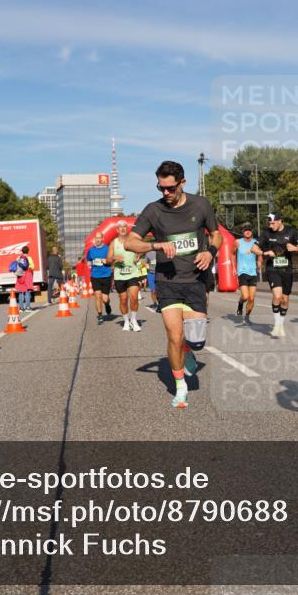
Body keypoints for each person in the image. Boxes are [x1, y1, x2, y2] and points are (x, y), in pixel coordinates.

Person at [125, 161, 221, 409]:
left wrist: (210, 252)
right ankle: (180, 388)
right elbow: (129, 242)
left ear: (182, 183)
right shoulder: (153, 210)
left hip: (196, 279)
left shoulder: (201, 205)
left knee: (196, 341)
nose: (165, 193)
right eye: (161, 188)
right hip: (167, 281)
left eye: (170, 188)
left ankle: (188, 350)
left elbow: (217, 234)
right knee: (174, 336)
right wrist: (155, 245)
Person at [261, 213, 298, 337]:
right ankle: (277, 324)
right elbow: (254, 248)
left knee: (285, 299)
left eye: (273, 223)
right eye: (269, 223)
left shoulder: (291, 232)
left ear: (280, 221)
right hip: (272, 268)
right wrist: (266, 253)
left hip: (287, 269)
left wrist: (295, 248)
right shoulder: (266, 233)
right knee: (277, 296)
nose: (271, 225)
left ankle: (281, 325)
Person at [110, 220, 142, 332]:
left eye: (124, 227)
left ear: (127, 229)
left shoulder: (133, 241)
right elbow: (108, 259)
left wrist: (138, 256)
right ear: (117, 230)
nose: (123, 229)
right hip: (120, 275)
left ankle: (133, 320)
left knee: (134, 296)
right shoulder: (114, 243)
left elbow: (141, 249)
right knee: (123, 300)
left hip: (133, 274)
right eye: (120, 227)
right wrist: (114, 258)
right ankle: (126, 321)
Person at [234, 222, 263, 325]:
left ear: (252, 232)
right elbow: (232, 254)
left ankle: (247, 317)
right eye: (245, 230)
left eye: (249, 230)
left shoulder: (256, 242)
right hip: (242, 272)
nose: (247, 231)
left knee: (251, 298)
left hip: (253, 272)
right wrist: (234, 267)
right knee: (245, 296)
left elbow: (260, 253)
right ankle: (240, 304)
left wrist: (259, 261)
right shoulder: (237, 242)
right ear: (242, 231)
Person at [86, 233, 113, 325]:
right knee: (97, 296)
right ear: (94, 239)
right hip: (95, 276)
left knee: (105, 299)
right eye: (96, 238)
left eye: (99, 238)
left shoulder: (107, 248)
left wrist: (107, 261)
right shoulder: (91, 250)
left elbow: (112, 260)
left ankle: (107, 304)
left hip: (106, 275)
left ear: (102, 239)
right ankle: (100, 316)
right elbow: (89, 261)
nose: (97, 240)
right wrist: (89, 263)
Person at [13, 246, 34, 311]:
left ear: (22, 251)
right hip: (27, 275)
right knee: (27, 291)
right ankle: (28, 307)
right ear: (28, 251)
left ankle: (21, 308)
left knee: (20, 292)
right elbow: (32, 267)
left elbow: (16, 265)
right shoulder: (29, 258)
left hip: (20, 275)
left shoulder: (19, 258)